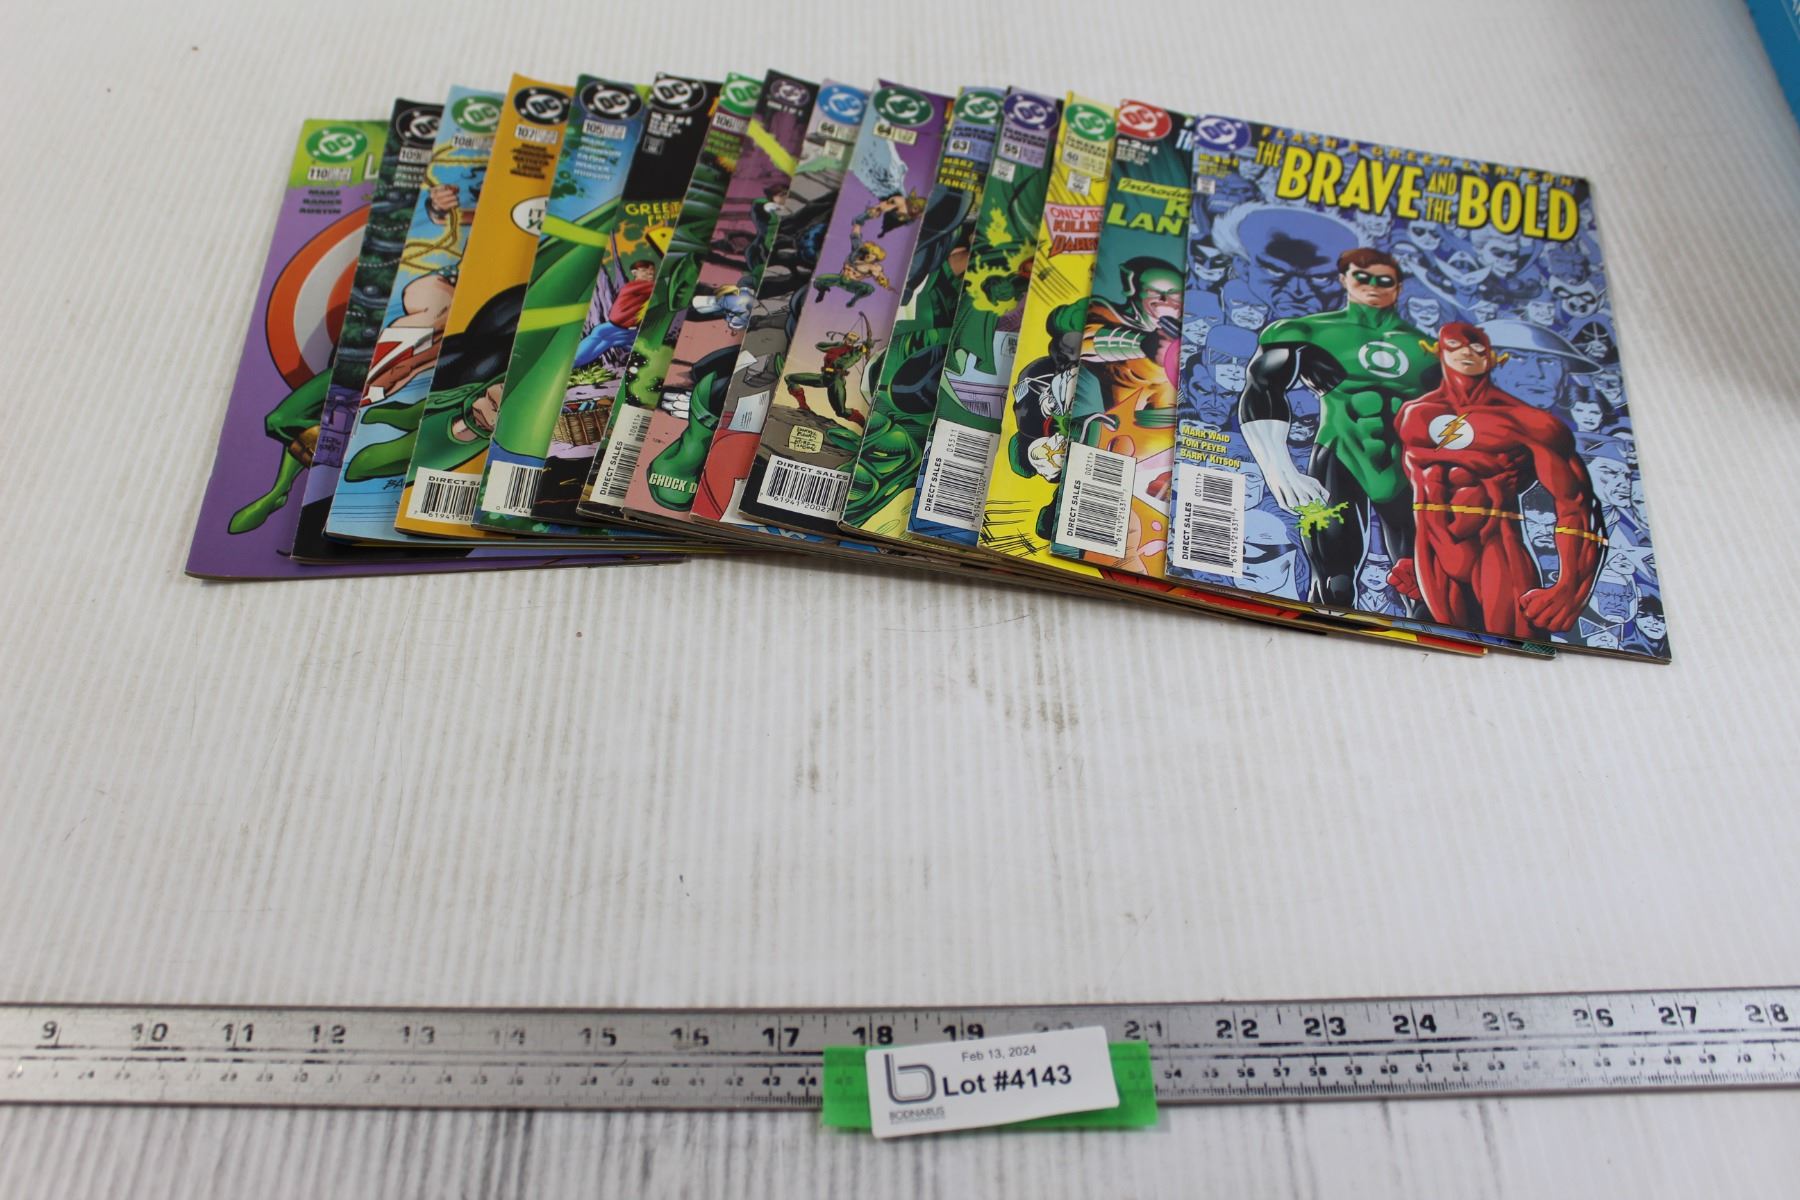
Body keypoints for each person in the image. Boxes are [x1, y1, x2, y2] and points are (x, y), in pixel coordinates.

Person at [1238, 247, 1438, 608]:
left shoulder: (1430, 349)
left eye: (1384, 280)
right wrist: (1279, 471)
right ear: (1344, 279)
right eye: (1363, 277)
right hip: (1339, 459)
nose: (1373, 285)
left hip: (1409, 473)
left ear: (1398, 287)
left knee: (1424, 586)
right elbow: (1262, 389)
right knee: (1334, 581)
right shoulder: (1307, 332)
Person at [1391, 322, 1605, 639]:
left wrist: (1571, 588)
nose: (1467, 353)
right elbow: (1413, 489)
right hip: (1431, 550)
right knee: (1452, 647)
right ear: (1438, 351)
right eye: (1456, 345)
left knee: (1513, 645)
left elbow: (1577, 503)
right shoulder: (1412, 414)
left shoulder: (1528, 422)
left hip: (1493, 546)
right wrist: (1406, 552)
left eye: (1477, 348)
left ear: (1492, 358)